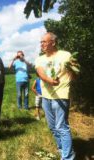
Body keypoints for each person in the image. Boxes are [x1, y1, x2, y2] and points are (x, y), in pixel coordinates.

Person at [35, 32, 75, 160]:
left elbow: (75, 71)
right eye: (41, 42)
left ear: (53, 42)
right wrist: (49, 80)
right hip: (46, 96)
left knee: (61, 126)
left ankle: (68, 157)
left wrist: (73, 73)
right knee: (52, 127)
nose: (41, 44)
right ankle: (62, 149)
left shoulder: (66, 55)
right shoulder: (40, 58)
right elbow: (40, 72)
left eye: (44, 42)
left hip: (61, 95)